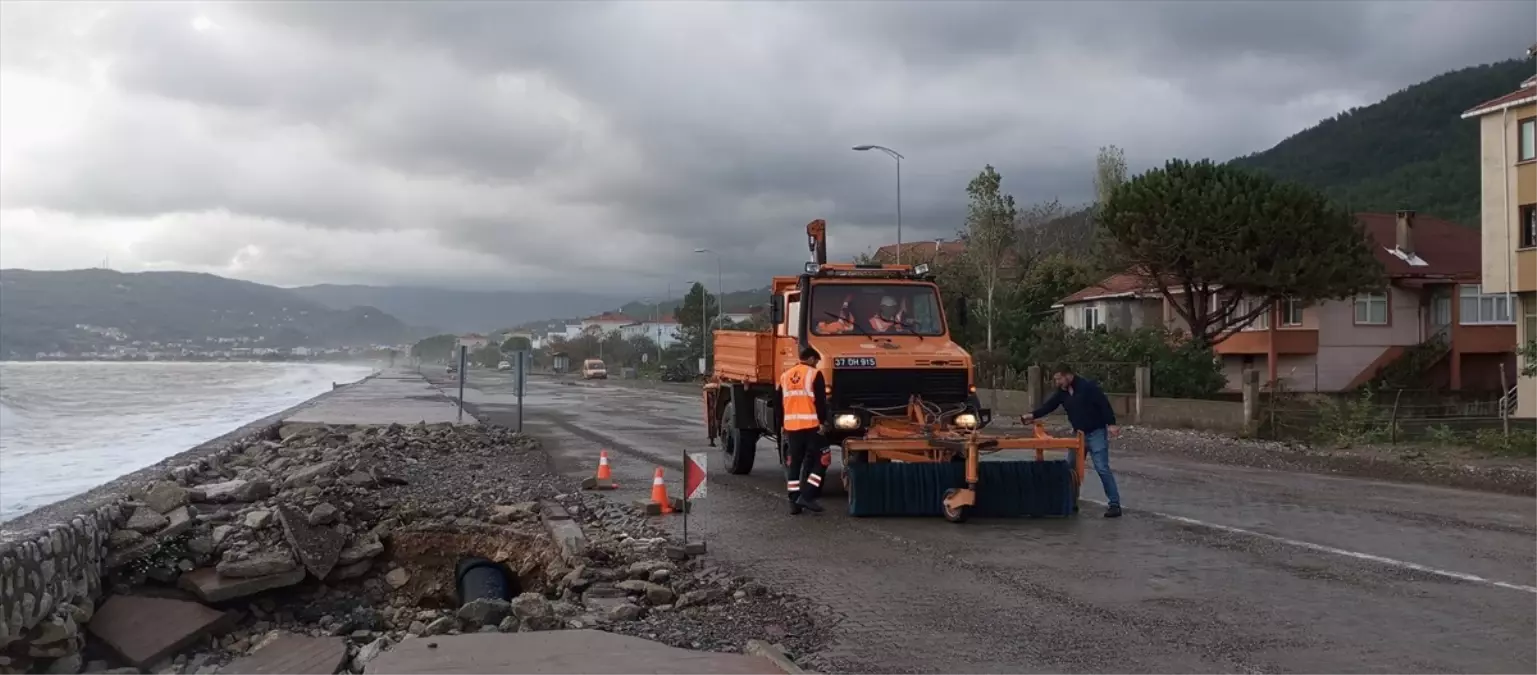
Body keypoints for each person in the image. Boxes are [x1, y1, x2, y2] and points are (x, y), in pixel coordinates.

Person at [1019, 364, 1123, 518]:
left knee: (1102, 467)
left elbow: (1104, 404)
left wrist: (1111, 424)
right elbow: (1050, 405)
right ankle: (1071, 502)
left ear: (1068, 375)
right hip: (1077, 435)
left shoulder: (1088, 387)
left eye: (1059, 379)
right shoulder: (1062, 392)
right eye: (1056, 380)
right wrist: (1032, 415)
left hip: (1096, 433)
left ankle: (1114, 504)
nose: (1057, 383)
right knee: (1072, 469)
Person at [780, 346, 831, 514]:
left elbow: (779, 402)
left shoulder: (785, 376)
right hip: (811, 426)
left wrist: (782, 425)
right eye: (816, 361)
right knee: (823, 459)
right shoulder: (814, 374)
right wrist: (823, 422)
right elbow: (820, 401)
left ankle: (793, 501)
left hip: (792, 427)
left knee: (794, 463)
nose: (816, 364)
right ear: (810, 359)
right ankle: (808, 495)